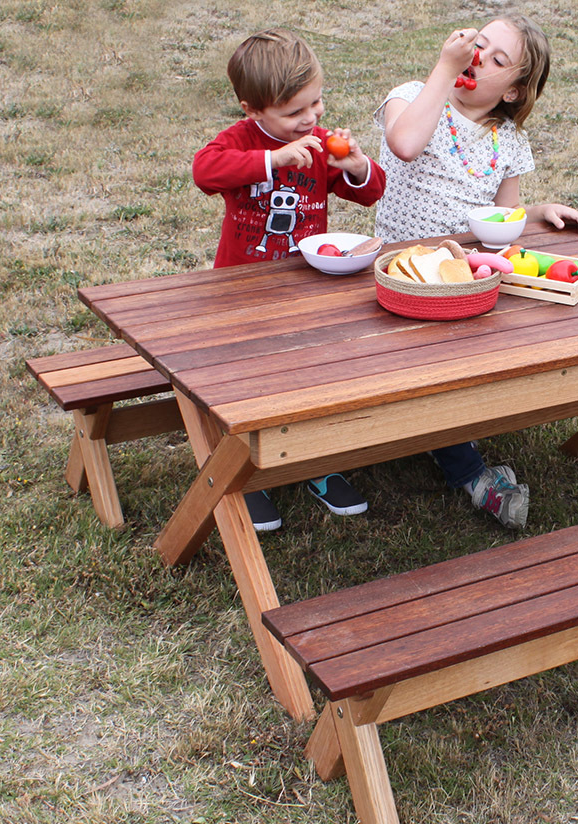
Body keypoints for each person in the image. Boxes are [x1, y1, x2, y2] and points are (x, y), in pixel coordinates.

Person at [373, 15, 578, 530]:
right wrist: (443, 72)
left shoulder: (509, 141)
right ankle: (471, 472)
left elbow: (501, 224)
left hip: (467, 280)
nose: (477, 58)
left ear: (515, 91)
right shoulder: (411, 95)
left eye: (497, 61)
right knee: (434, 372)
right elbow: (405, 144)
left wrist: (535, 213)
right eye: (478, 45)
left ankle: (449, 427)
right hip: (402, 276)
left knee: (490, 353)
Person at [193, 28, 385, 531]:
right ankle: (243, 475)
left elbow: (370, 195)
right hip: (242, 290)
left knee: (310, 376)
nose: (311, 117)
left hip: (305, 286)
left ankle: (314, 465)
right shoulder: (242, 140)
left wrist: (358, 166)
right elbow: (205, 170)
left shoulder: (320, 143)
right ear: (253, 109)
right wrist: (271, 159)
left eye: (316, 102)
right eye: (295, 111)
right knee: (245, 382)